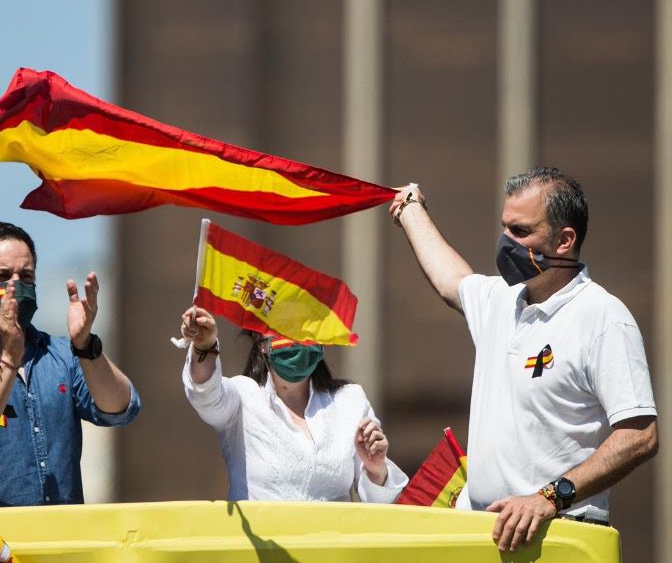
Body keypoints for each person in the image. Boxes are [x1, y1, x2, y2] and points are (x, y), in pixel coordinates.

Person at [389, 168, 658, 551]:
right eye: (505, 228)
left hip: (560, 534)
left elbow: (640, 436)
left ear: (565, 240)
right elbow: (450, 279)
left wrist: (550, 497)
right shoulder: (502, 298)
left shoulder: (602, 317)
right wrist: (411, 208)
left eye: (521, 231)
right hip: (482, 533)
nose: (505, 242)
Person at [0, 222, 140, 507]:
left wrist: (85, 346)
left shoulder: (62, 355)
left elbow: (121, 409)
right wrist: (9, 359)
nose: (15, 287)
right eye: (2, 276)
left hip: (61, 542)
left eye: (26, 276)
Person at [178, 306, 408, 502]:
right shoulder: (242, 396)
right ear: (260, 342)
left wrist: (376, 469)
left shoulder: (349, 400)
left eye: (305, 330)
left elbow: (381, 503)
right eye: (283, 331)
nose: (295, 342)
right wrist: (204, 346)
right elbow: (205, 393)